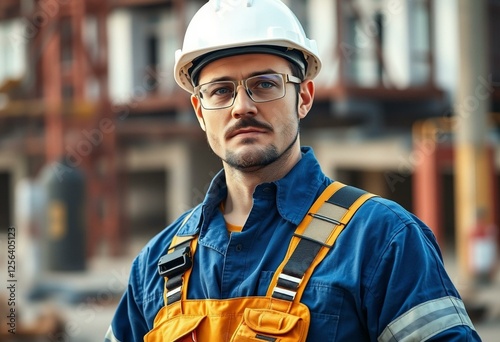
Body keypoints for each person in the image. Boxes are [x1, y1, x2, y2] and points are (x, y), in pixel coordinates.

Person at [106, 0, 481, 341]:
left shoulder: (383, 240)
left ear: (303, 97)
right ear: (200, 111)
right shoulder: (156, 265)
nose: (242, 107)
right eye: (220, 91)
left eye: (265, 84)